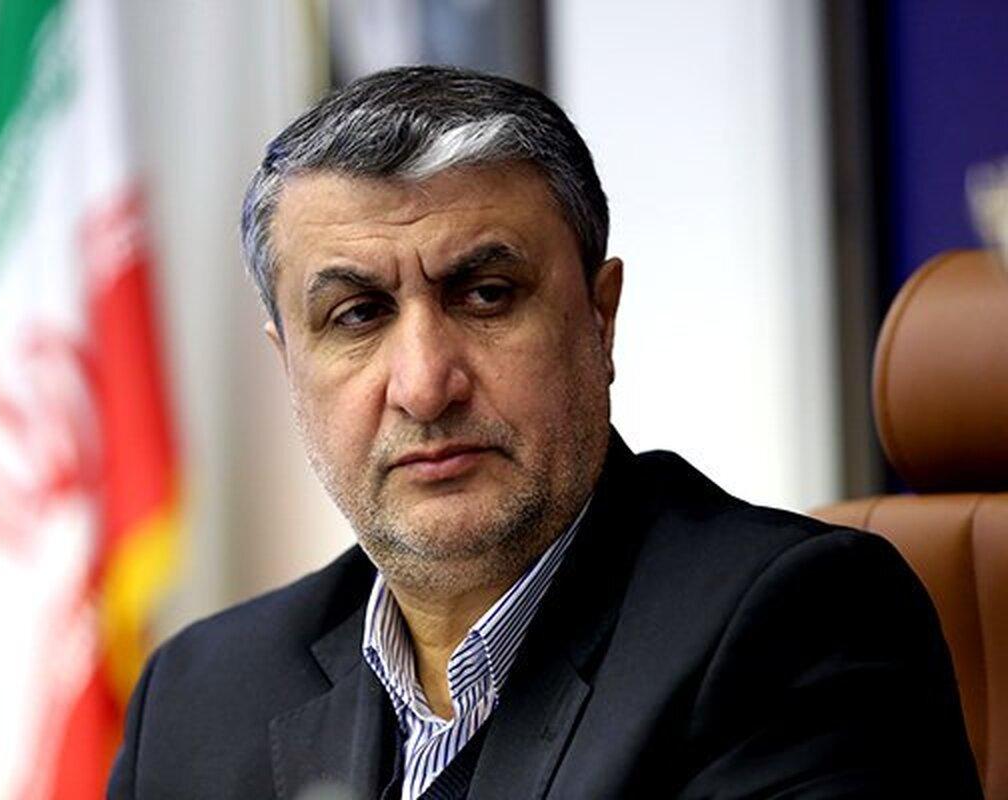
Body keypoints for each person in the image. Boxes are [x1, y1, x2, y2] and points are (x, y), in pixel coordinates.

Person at [108, 66, 980, 799]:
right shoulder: (199, 695)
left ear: (600, 318)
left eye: (485, 295)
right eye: (358, 314)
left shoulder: (793, 625)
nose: (425, 386)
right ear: (290, 366)